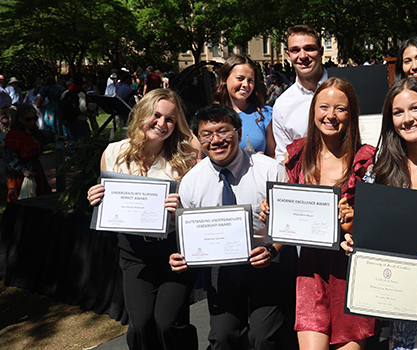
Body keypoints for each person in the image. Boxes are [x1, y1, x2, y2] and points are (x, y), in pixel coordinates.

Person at [340, 77, 417, 349]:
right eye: (398, 112)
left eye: (415, 108)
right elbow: (371, 233)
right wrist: (357, 243)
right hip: (402, 297)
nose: (407, 119)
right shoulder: (381, 172)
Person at [169, 104, 299, 350]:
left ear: (238, 133)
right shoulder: (191, 183)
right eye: (207, 134)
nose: (216, 140)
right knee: (222, 337)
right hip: (224, 267)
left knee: (263, 338)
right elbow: (192, 237)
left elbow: (291, 224)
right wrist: (183, 257)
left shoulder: (269, 170)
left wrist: (272, 250)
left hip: (270, 259)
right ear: (199, 139)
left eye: (223, 131)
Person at [264, 77, 376, 349]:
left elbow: (376, 226)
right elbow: (288, 222)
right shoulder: (298, 156)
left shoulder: (367, 160)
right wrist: (274, 223)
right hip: (310, 270)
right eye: (324, 107)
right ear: (314, 110)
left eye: (341, 109)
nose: (331, 115)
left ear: (352, 115)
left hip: (351, 273)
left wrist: (353, 222)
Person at [86, 89, 199, 350]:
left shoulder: (186, 158)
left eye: (170, 119)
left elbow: (199, 208)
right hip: (133, 252)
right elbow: (109, 202)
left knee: (169, 322)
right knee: (140, 325)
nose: (162, 124)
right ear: (142, 114)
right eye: (156, 115)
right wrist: (96, 196)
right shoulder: (113, 153)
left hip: (175, 249)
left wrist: (182, 206)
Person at [271, 24, 328, 161]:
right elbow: (283, 155)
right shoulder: (282, 105)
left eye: (309, 49)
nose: (303, 56)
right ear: (288, 55)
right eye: (295, 50)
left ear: (321, 51)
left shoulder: (345, 90)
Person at [214, 54, 276, 156]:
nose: (245, 85)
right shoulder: (208, 117)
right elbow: (199, 160)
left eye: (250, 80)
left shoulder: (265, 114)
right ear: (224, 79)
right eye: (240, 78)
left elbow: (273, 155)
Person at [3, 104, 52, 201]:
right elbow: (9, 158)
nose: (32, 122)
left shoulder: (33, 131)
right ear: (20, 118)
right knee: (23, 199)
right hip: (20, 175)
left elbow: (44, 136)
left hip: (35, 170)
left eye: (34, 118)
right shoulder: (13, 135)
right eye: (28, 119)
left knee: (39, 197)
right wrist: (23, 171)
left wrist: (55, 137)